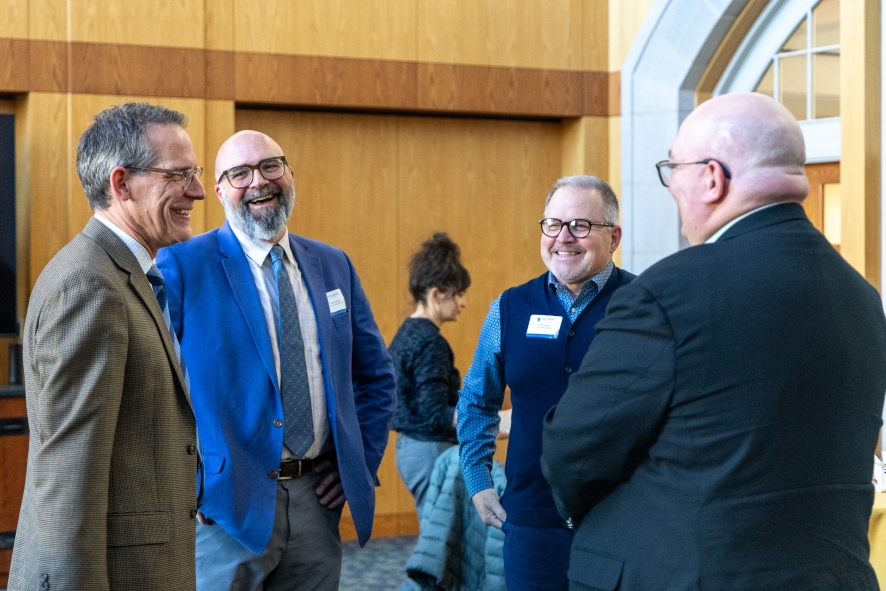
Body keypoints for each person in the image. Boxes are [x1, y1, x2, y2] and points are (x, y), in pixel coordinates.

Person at [541, 92, 886, 591]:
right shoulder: (860, 295)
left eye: (672, 169)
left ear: (711, 178)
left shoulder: (669, 292)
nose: (671, 188)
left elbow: (574, 450)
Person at [156, 130, 397, 591]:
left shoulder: (334, 264)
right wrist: (188, 482)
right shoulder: (182, 266)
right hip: (225, 508)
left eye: (270, 166)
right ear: (220, 191)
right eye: (239, 174)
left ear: (290, 174)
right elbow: (157, 390)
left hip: (316, 503)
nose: (259, 182)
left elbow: (375, 377)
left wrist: (359, 463)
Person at [9, 102, 205, 591]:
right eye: (178, 175)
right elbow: (69, 478)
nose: (198, 191)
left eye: (195, 173)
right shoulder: (91, 286)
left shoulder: (120, 274)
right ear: (121, 184)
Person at [456, 175, 634, 591]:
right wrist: (478, 480)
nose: (563, 237)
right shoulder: (509, 308)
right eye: (553, 224)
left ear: (614, 237)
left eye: (580, 225)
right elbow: (477, 400)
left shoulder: (643, 304)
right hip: (532, 524)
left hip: (621, 520)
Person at [389, 232, 470, 519]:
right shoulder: (430, 342)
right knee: (440, 539)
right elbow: (433, 413)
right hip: (429, 452)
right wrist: (490, 420)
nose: (463, 303)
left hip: (412, 450)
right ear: (436, 295)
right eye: (458, 294)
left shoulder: (406, 333)